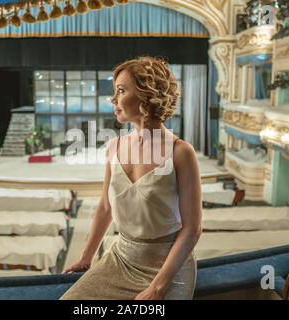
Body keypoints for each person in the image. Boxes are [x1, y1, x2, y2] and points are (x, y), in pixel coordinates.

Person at [60, 56, 202, 300]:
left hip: (167, 267)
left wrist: (157, 288)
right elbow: (105, 206)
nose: (113, 100)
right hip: (121, 258)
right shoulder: (114, 146)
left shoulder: (181, 152)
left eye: (121, 91)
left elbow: (192, 229)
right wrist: (86, 257)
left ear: (147, 96)